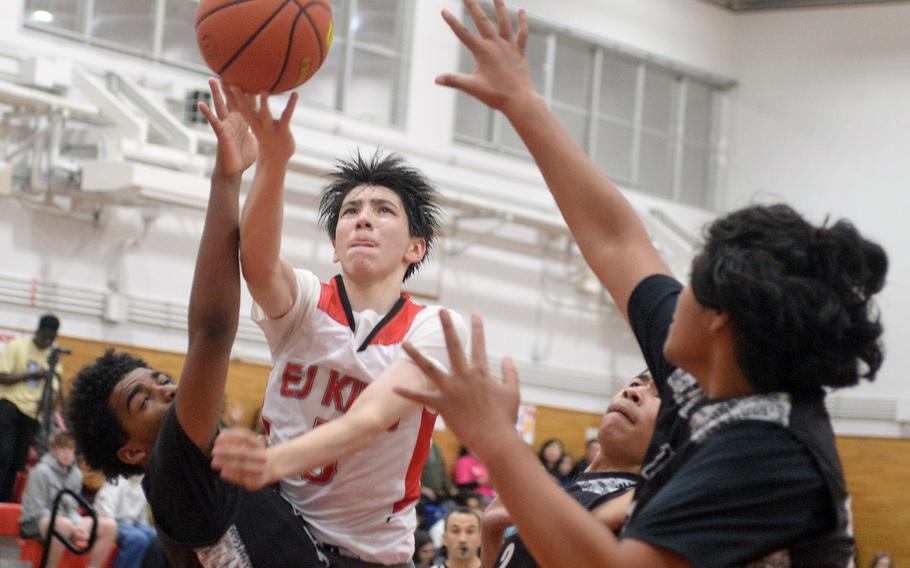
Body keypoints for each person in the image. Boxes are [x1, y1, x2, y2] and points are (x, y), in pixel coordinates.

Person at [395, 1, 884, 565]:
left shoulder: (773, 449)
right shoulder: (706, 371)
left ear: (720, 317)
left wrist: (497, 442)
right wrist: (521, 101)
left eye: (692, 281)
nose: (673, 291)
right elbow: (616, 239)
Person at [64, 79, 325, 568]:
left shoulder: (206, 467)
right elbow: (212, 330)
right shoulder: (172, 469)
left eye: (159, 381)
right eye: (141, 401)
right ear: (131, 452)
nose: (166, 391)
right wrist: (226, 181)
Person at [209, 86, 466, 567]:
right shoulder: (308, 301)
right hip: (280, 528)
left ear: (416, 248)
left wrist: (268, 462)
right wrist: (274, 161)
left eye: (383, 211)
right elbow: (258, 265)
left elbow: (369, 420)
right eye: (351, 211)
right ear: (335, 245)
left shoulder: (435, 327)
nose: (363, 219)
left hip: (370, 556)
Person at [481, 374, 658, 568]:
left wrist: (499, 439)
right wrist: (491, 533)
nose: (633, 392)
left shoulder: (640, 507)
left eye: (659, 395)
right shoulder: (573, 491)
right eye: (635, 383)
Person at [18, 432, 118, 568]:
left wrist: (77, 526)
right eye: (62, 449)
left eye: (70, 449)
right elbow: (36, 509)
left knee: (109, 526)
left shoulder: (76, 474)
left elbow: (71, 509)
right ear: (53, 450)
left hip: (65, 521)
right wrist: (70, 527)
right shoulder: (40, 471)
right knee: (62, 525)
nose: (67, 453)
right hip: (34, 521)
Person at [0, 314, 62, 501]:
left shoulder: (53, 357)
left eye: (51, 339)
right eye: (44, 337)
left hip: (32, 414)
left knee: (18, 462)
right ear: (38, 331)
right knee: (3, 455)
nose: (46, 342)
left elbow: (54, 390)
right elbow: (2, 376)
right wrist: (31, 374)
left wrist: (46, 404)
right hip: (10, 406)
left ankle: (6, 501)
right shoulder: (17, 346)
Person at [94, 475, 159, 568]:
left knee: (155, 535)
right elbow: (105, 510)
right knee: (137, 538)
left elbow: (142, 516)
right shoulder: (118, 481)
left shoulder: (142, 484)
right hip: (113, 522)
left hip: (132, 524)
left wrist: (143, 526)